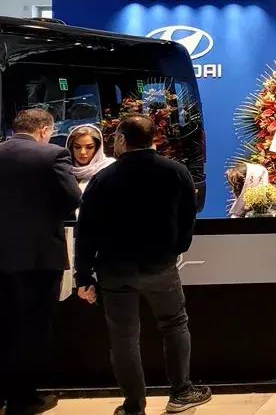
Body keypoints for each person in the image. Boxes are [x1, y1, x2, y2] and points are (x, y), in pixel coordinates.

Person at [74, 114, 211, 415]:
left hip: (114, 270)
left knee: (123, 337)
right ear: (153, 139)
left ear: (122, 139)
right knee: (174, 325)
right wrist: (176, 249)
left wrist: (83, 275)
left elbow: (86, 231)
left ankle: (133, 406)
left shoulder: (103, 178)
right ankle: (181, 392)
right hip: (161, 266)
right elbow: (188, 217)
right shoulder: (176, 171)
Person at [0, 108, 81, 415]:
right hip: (39, 257)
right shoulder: (53, 155)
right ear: (45, 130)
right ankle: (23, 399)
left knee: (4, 324)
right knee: (33, 326)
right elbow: (72, 198)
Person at [66, 123, 114, 192]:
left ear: (97, 148)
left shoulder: (110, 168)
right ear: (71, 148)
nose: (83, 152)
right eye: (77, 147)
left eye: (89, 147)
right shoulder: (64, 169)